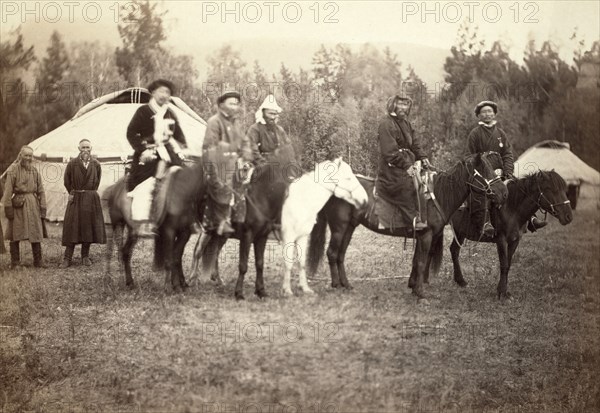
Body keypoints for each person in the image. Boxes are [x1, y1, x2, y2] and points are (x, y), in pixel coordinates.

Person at [465, 100, 546, 237]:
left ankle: (531, 219)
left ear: (494, 114)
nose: (487, 114)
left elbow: (508, 154)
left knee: (520, 189)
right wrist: (486, 170)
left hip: (501, 172)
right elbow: (470, 156)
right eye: (483, 112)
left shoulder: (500, 133)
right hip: (483, 175)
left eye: (490, 111)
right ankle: (487, 223)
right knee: (486, 193)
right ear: (478, 115)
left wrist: (507, 172)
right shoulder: (475, 134)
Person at [126, 79, 187, 236]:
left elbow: (180, 136)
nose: (164, 95)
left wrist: (182, 148)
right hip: (149, 154)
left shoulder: (170, 113)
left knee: (186, 180)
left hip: (170, 154)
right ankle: (143, 224)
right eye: (161, 91)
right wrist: (142, 150)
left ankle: (185, 221)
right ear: (153, 92)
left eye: (167, 92)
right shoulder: (143, 111)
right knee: (147, 184)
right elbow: (131, 133)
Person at [375, 93, 433, 230]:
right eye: (400, 103)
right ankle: (412, 220)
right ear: (393, 105)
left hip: (407, 163)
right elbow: (389, 151)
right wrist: (406, 165)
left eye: (405, 104)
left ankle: (429, 216)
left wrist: (423, 157)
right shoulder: (386, 123)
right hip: (391, 166)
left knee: (429, 181)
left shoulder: (407, 124)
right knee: (406, 184)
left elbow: (415, 144)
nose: (403, 107)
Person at [202, 90, 253, 236]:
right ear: (221, 105)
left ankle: (240, 220)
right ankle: (217, 221)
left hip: (233, 164)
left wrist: (246, 159)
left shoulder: (235, 123)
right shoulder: (214, 122)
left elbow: (245, 142)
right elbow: (210, 148)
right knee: (222, 184)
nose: (234, 107)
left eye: (237, 104)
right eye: (231, 103)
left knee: (249, 182)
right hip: (217, 164)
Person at [59, 139, 106, 268]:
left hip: (91, 199)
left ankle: (85, 256)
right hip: (76, 197)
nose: (85, 150)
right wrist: (74, 192)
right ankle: (67, 258)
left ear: (91, 148)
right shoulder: (72, 164)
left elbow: (97, 182)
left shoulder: (96, 164)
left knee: (88, 227)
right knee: (72, 227)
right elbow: (66, 181)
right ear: (78, 148)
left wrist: (89, 193)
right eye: (83, 147)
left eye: (88, 147)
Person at [2, 146, 47, 268]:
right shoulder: (13, 170)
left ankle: (38, 261)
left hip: (33, 204)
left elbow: (41, 191)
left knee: (35, 232)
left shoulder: (34, 171)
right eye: (26, 155)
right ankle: (15, 262)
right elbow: (8, 191)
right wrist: (8, 207)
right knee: (15, 233)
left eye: (30, 156)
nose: (28, 158)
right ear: (20, 155)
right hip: (18, 204)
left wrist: (43, 206)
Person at [247, 94, 291, 165]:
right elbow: (252, 150)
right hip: (259, 165)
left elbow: (288, 147)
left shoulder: (279, 130)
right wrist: (264, 164)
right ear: (263, 113)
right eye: (270, 114)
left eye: (275, 114)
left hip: (278, 164)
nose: (273, 117)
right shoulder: (255, 129)